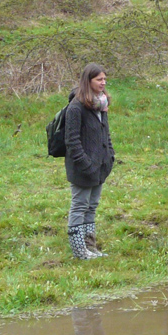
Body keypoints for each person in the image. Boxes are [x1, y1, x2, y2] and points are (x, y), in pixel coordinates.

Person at [64, 63, 115, 260]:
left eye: (104, 79)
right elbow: (72, 141)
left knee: (92, 205)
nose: (103, 83)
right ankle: (79, 251)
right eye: (99, 79)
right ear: (88, 81)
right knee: (79, 205)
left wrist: (110, 156)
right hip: (83, 168)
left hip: (100, 166)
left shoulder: (101, 104)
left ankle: (90, 248)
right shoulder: (76, 108)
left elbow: (105, 135)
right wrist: (85, 164)